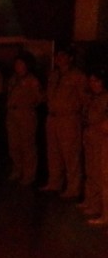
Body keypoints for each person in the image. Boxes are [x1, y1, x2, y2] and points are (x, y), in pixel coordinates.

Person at [40, 46, 88, 198]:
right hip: (53, 118)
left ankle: (74, 188)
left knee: (71, 154)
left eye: (63, 55)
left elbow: (85, 99)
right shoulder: (53, 75)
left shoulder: (78, 76)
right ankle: (55, 182)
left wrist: (83, 119)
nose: (59, 58)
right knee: (53, 153)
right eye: (57, 55)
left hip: (69, 119)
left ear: (70, 58)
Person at [5, 52, 43, 186]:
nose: (17, 66)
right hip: (12, 115)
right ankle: (17, 169)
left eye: (20, 63)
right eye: (16, 63)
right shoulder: (13, 79)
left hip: (25, 114)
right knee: (14, 145)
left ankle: (29, 174)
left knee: (27, 145)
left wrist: (28, 105)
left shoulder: (33, 81)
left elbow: (40, 98)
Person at [81, 69, 108, 226]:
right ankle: (93, 203)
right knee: (91, 170)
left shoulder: (105, 98)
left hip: (102, 137)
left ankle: (103, 211)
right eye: (91, 81)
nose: (93, 84)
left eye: (96, 81)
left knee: (102, 175)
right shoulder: (92, 97)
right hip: (91, 134)